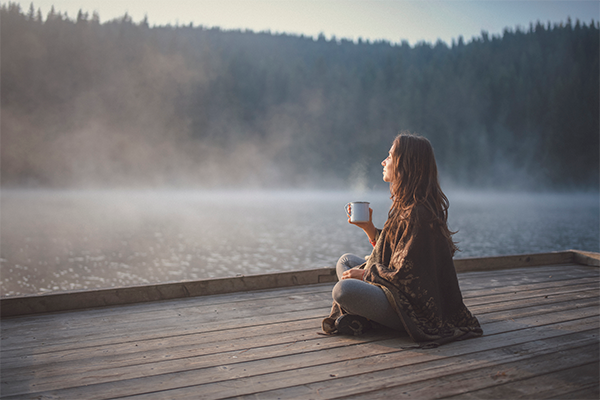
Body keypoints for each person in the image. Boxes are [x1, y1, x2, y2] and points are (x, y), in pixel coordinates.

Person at [322, 132, 482, 347]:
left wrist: (366, 274)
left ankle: (367, 318)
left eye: (389, 156)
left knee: (344, 290)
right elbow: (394, 252)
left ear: (405, 164)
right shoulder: (405, 205)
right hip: (396, 291)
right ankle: (364, 316)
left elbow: (408, 276)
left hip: (415, 310)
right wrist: (369, 228)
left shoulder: (419, 212)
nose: (383, 161)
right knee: (346, 261)